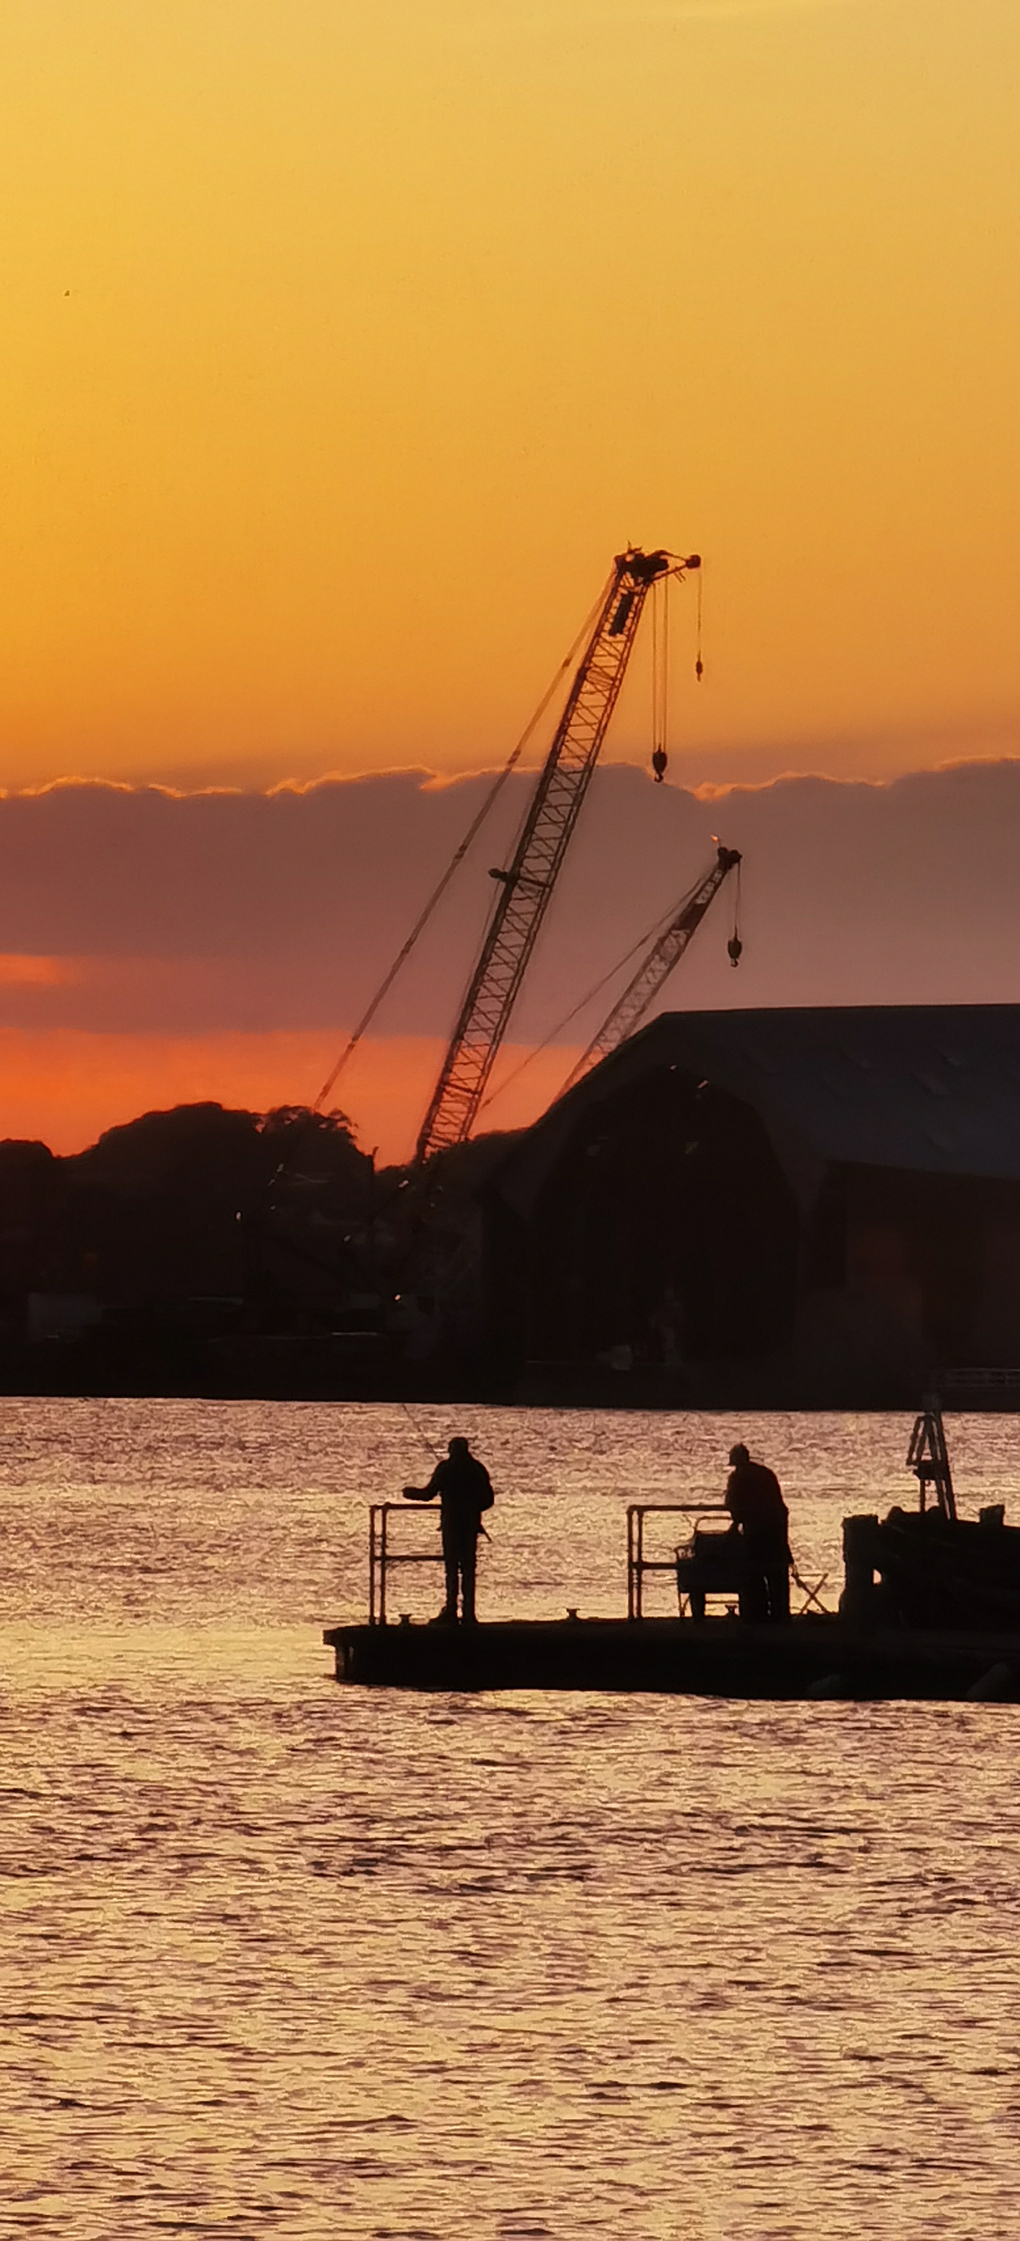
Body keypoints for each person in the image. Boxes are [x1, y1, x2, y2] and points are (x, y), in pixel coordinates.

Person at [403, 1436, 495, 1624]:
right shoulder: (477, 1469)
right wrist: (472, 1509)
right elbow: (488, 1500)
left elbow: (428, 1494)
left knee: (451, 1568)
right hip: (470, 1526)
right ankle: (469, 1613)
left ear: (451, 1450)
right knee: (468, 1569)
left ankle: (451, 1611)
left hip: (452, 1526)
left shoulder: (446, 1468)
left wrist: (409, 1492)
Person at [725, 1442, 791, 1623]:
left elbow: (732, 1504)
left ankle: (757, 1614)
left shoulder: (737, 1478)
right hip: (776, 1529)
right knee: (776, 1574)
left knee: (754, 1572)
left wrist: (735, 1524)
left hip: (756, 1530)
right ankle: (781, 1616)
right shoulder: (766, 1473)